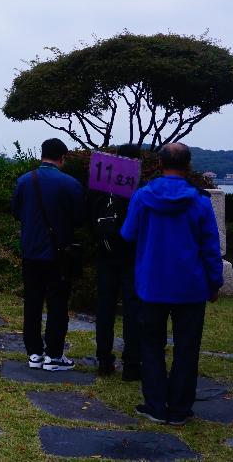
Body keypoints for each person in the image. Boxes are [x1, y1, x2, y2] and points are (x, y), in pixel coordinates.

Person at [121, 142, 222, 425]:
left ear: (160, 164)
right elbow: (210, 247)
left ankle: (155, 404)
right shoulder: (200, 201)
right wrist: (215, 282)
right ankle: (180, 408)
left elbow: (128, 234)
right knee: (187, 347)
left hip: (151, 284)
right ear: (188, 165)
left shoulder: (142, 196)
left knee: (151, 345)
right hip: (190, 287)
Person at [11, 138, 86, 371]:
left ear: (41, 154)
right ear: (62, 158)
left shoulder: (24, 181)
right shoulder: (70, 184)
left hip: (31, 251)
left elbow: (16, 212)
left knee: (32, 303)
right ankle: (54, 355)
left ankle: (34, 353)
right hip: (58, 254)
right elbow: (80, 218)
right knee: (57, 304)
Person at [89, 144, 142, 380]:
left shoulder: (100, 186)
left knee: (105, 307)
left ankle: (104, 359)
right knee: (132, 309)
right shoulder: (139, 189)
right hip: (132, 254)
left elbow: (87, 215)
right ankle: (131, 363)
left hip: (105, 252)